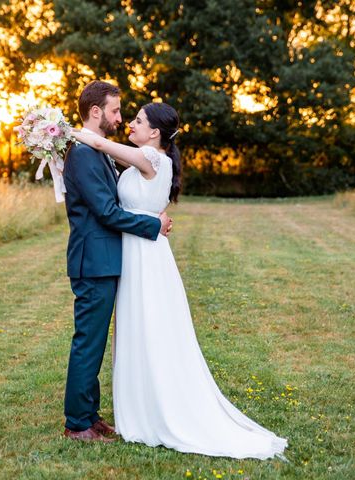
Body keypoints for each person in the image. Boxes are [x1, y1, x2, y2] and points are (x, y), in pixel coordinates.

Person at [72, 102, 288, 459]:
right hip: (138, 251)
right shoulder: (146, 158)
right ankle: (137, 406)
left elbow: (99, 146)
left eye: (138, 121)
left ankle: (156, 410)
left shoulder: (151, 159)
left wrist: (63, 132)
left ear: (155, 132)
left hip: (144, 254)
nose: (129, 124)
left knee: (150, 329)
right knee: (138, 330)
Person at [62, 81, 173, 442]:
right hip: (93, 261)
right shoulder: (82, 153)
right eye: (114, 111)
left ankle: (90, 415)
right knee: (88, 342)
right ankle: (77, 423)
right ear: (96, 112)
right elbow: (108, 212)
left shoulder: (98, 152)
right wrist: (152, 225)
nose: (120, 118)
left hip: (107, 260)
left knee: (94, 342)